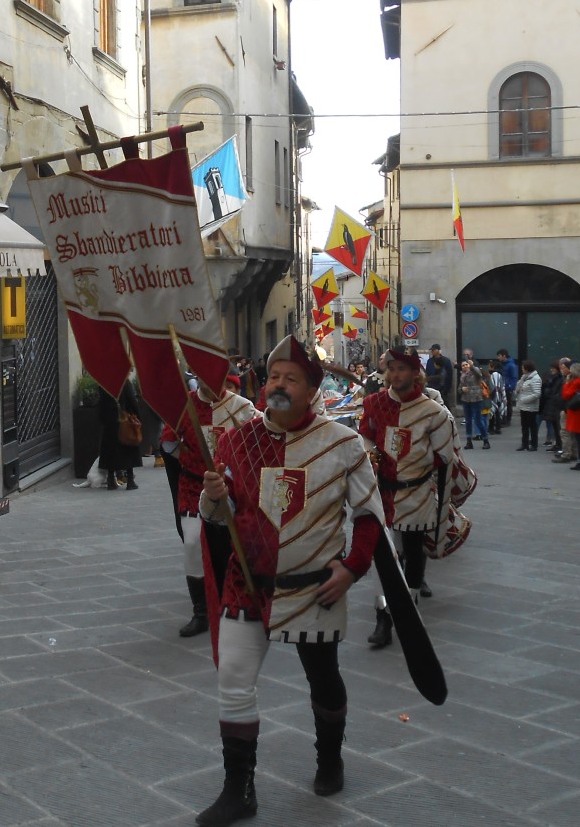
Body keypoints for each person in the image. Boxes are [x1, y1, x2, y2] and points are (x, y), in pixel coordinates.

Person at [195, 336, 386, 824]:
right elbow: (220, 515)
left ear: (311, 389)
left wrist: (352, 567)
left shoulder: (343, 445)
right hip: (248, 581)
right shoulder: (237, 440)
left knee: (322, 678)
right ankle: (238, 789)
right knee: (233, 682)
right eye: (274, 375)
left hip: (313, 586)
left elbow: (368, 516)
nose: (278, 384)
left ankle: (330, 757)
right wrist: (213, 495)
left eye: (291, 378)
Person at [358, 349, 473, 649]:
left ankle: (408, 614)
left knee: (413, 554)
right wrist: (370, 453)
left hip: (418, 492)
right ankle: (383, 617)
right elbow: (365, 434)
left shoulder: (434, 412)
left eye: (402, 369)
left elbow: (445, 459)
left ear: (415, 373)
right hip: (383, 491)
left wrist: (444, 509)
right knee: (383, 557)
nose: (396, 375)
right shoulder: (374, 403)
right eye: (392, 369)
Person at [163, 375, 258, 638]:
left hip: (231, 489)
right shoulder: (185, 405)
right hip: (193, 487)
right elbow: (169, 443)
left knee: (231, 546)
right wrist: (191, 459)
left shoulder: (242, 407)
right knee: (193, 543)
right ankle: (201, 611)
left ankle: (233, 600)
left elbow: (260, 441)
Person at [97, 379, 143, 490]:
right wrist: (137, 416)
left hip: (110, 423)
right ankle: (130, 480)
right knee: (128, 449)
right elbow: (132, 401)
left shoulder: (103, 383)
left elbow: (101, 404)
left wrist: (104, 420)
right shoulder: (124, 382)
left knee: (110, 450)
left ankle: (111, 480)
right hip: (124, 421)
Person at [457, 359, 489, 449]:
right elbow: (459, 389)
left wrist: (472, 366)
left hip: (476, 399)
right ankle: (469, 441)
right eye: (463, 365)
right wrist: (462, 389)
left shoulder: (475, 372)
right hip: (466, 400)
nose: (465, 366)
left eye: (466, 364)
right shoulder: (462, 376)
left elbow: (479, 374)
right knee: (468, 421)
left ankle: (485, 440)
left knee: (478, 420)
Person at [515, 359, 542, 451]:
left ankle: (534, 444)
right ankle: (524, 443)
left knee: (532, 426)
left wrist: (524, 400)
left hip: (531, 406)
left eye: (523, 368)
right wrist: (520, 383)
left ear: (527, 368)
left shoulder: (536, 378)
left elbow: (537, 393)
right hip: (523, 406)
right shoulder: (525, 377)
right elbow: (519, 388)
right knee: (524, 426)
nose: (522, 369)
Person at [540, 360, 565, 449]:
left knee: (558, 427)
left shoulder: (560, 379)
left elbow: (556, 392)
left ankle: (560, 445)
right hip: (551, 403)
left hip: (555, 404)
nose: (552, 370)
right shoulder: (552, 378)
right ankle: (557, 444)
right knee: (554, 425)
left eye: (553, 368)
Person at [498, 349, 519, 427]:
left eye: (499, 356)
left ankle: (508, 419)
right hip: (502, 386)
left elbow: (514, 377)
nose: (498, 358)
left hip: (507, 387)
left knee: (508, 403)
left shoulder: (511, 365)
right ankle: (502, 418)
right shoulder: (503, 364)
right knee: (502, 403)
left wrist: (510, 387)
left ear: (504, 355)